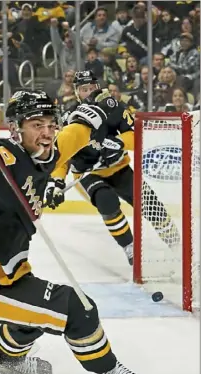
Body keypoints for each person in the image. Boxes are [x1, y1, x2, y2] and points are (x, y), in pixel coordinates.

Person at [0, 85, 152, 374]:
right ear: (15, 128)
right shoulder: (1, 158)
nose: (47, 132)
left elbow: (77, 134)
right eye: (36, 125)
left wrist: (100, 112)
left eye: (51, 124)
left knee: (32, 315)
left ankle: (7, 359)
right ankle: (108, 368)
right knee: (78, 308)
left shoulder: (48, 152)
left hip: (9, 270)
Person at [45, 70, 180, 264]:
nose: (89, 92)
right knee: (106, 200)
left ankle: (178, 245)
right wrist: (57, 181)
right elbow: (63, 156)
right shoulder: (69, 117)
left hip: (119, 168)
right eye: (84, 89)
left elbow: (136, 137)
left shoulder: (114, 107)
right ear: (76, 92)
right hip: (88, 174)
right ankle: (131, 249)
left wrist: (118, 142)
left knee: (150, 203)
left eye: (92, 88)